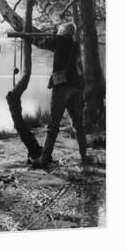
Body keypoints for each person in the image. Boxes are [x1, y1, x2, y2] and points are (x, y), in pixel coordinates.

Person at [32, 23, 88, 167]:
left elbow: (42, 43)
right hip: (75, 86)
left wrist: (30, 39)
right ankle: (84, 155)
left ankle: (44, 159)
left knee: (53, 125)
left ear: (62, 31)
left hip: (61, 86)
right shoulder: (75, 45)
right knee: (78, 124)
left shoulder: (59, 41)